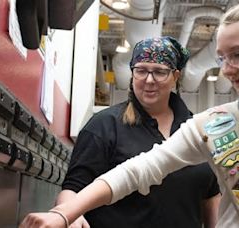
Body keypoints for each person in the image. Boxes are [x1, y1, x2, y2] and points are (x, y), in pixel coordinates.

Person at [20, 1, 239, 227]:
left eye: (238, 55)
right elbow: (140, 169)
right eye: (221, 58)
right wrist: (63, 215)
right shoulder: (214, 123)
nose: (228, 69)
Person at [49, 36, 220, 228]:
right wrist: (70, 215)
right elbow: (72, 188)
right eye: (141, 71)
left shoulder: (197, 130)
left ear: (175, 76)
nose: (149, 80)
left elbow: (211, 196)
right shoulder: (104, 125)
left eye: (159, 72)